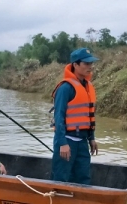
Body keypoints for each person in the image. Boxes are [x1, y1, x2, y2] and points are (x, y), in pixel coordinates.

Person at [50, 48, 99, 185]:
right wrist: (62, 143)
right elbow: (59, 117)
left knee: (83, 178)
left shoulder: (88, 87)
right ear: (75, 65)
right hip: (67, 141)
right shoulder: (65, 88)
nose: (90, 67)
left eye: (91, 64)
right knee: (61, 178)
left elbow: (89, 115)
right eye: (86, 63)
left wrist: (92, 138)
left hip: (82, 141)